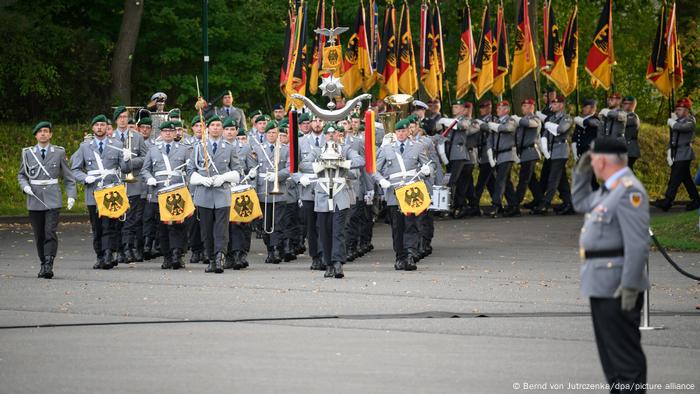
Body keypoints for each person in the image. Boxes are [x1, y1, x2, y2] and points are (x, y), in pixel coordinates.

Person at [572, 138, 649, 392]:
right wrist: (581, 173)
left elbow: (637, 244)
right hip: (600, 283)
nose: (592, 164)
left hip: (616, 286)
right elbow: (581, 203)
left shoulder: (628, 191)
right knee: (611, 362)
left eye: (592, 160)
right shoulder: (610, 189)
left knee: (625, 361)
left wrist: (629, 285)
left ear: (602, 160)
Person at [300, 124, 365, 278]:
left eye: (333, 133)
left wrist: (341, 163)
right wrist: (322, 165)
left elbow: (360, 160)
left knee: (338, 231)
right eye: (327, 133)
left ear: (338, 135)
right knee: (324, 232)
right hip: (322, 194)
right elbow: (303, 164)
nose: (330, 136)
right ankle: (328, 263)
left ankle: (337, 263)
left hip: (340, 193)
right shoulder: (318, 151)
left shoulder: (345, 149)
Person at [18, 121, 77, 279]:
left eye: (46, 131)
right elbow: (22, 174)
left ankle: (49, 264)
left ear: (50, 134)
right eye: (40, 131)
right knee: (39, 235)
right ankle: (43, 262)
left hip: (52, 198)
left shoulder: (58, 152)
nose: (43, 134)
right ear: (36, 135)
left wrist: (71, 195)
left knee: (50, 231)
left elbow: (68, 177)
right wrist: (25, 186)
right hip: (34, 197)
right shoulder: (27, 153)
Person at [373, 120, 432, 271]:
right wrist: (381, 181)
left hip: (411, 191)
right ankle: (400, 257)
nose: (401, 134)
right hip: (394, 192)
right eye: (398, 131)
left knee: (411, 224)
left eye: (404, 131)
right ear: (395, 133)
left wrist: (427, 170)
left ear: (408, 132)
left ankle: (410, 255)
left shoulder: (418, 147)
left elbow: (429, 164)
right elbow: (375, 170)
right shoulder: (386, 149)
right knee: (397, 227)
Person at [186, 115, 242, 273]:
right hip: (204, 194)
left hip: (222, 193)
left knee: (221, 229)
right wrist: (201, 180)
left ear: (222, 129)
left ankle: (220, 257)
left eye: (219, 125)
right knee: (206, 229)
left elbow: (238, 171)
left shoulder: (229, 147)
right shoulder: (198, 147)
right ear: (208, 128)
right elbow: (190, 170)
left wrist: (224, 177)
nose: (216, 127)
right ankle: (211, 257)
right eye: (213, 125)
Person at [70, 114, 126, 269]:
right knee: (97, 226)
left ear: (107, 127)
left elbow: (125, 169)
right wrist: (84, 177)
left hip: (111, 191)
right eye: (97, 125)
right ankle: (100, 255)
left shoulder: (116, 144)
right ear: (93, 128)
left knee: (110, 225)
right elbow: (74, 168)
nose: (100, 128)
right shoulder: (84, 146)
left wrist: (127, 159)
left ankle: (109, 253)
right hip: (93, 192)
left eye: (102, 125)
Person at [140, 121, 190, 269]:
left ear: (175, 133)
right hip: (159, 192)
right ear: (160, 134)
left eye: (171, 131)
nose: (168, 133)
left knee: (178, 225)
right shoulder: (153, 150)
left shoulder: (184, 149)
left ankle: (177, 254)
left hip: (177, 192)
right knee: (162, 226)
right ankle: (167, 255)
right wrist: (149, 178)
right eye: (165, 131)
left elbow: (190, 169)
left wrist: (186, 184)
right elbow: (145, 169)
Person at [248, 120, 290, 264]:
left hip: (279, 189)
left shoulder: (285, 149)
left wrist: (278, 175)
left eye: (274, 133)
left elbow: (290, 168)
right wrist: (253, 186)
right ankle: (269, 250)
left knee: (278, 222)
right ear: (265, 134)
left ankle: (276, 249)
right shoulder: (258, 149)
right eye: (269, 133)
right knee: (265, 223)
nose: (272, 135)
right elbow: (254, 169)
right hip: (263, 189)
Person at [112, 106, 148, 265]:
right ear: (115, 120)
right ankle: (119, 248)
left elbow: (146, 158)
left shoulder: (137, 137)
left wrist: (130, 162)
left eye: (125, 117)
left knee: (131, 218)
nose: (123, 120)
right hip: (115, 183)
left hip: (133, 183)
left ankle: (127, 247)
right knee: (117, 218)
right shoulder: (110, 137)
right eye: (120, 117)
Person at [654, 98, 700, 212]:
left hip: (684, 154)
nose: (677, 112)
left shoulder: (690, 120)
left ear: (686, 110)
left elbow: (682, 128)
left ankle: (668, 201)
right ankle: (696, 200)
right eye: (677, 109)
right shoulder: (678, 121)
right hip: (676, 153)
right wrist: (669, 151)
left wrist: (673, 122)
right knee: (686, 179)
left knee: (674, 178)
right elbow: (673, 138)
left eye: (680, 109)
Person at [532, 96, 574, 215]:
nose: (552, 106)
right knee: (561, 180)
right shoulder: (552, 118)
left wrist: (547, 123)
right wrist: (544, 149)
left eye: (555, 104)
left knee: (553, 178)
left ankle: (545, 204)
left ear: (561, 105)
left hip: (560, 151)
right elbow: (545, 134)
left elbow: (561, 129)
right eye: (552, 104)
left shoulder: (566, 118)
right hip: (551, 151)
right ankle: (568, 203)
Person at [443, 100, 480, 218]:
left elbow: (462, 126)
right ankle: (464, 205)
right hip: (450, 155)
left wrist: (448, 121)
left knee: (456, 181)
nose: (454, 108)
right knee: (463, 182)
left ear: (464, 110)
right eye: (453, 106)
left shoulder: (468, 121)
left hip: (461, 155)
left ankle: (459, 206)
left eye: (457, 107)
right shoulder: (451, 121)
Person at [486, 101, 518, 217]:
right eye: (498, 107)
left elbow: (507, 128)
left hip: (507, 155)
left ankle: (496, 205)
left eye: (500, 108)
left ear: (506, 110)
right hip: (498, 156)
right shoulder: (496, 122)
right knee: (506, 182)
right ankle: (514, 206)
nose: (497, 110)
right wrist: (490, 154)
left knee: (500, 180)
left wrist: (494, 126)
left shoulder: (511, 120)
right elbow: (490, 139)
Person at [512, 99, 543, 214]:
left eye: (525, 106)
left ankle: (515, 204)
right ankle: (540, 201)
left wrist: (519, 120)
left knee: (523, 180)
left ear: (531, 107)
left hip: (531, 152)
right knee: (531, 181)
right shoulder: (522, 120)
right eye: (523, 106)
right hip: (524, 153)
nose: (523, 108)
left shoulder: (535, 119)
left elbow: (531, 125)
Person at [622, 96, 641, 171]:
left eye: (627, 103)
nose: (624, 105)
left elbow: (622, 123)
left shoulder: (633, 116)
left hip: (630, 148)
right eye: (624, 103)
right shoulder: (625, 115)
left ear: (632, 105)